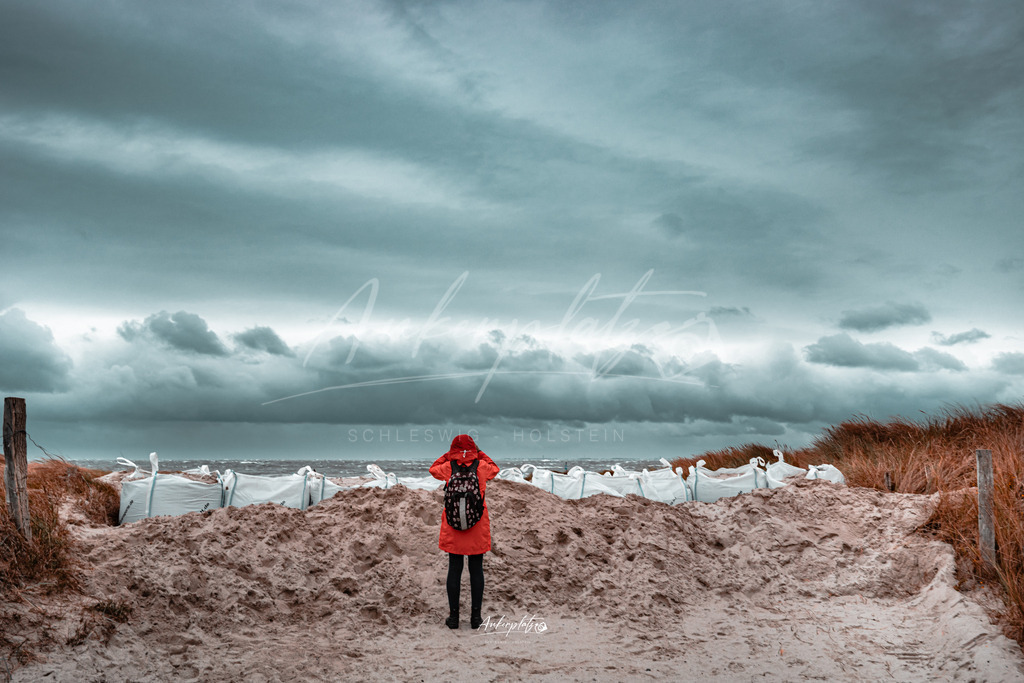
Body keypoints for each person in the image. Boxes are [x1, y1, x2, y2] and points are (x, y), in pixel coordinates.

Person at [429, 434, 499, 630]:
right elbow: (495, 468)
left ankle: (454, 619)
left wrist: (450, 455)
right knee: (476, 570)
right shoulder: (481, 467)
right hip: (477, 525)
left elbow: (433, 468)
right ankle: (476, 618)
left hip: (453, 527)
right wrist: (478, 452)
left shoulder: (448, 467)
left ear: (453, 449)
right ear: (474, 448)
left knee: (454, 569)